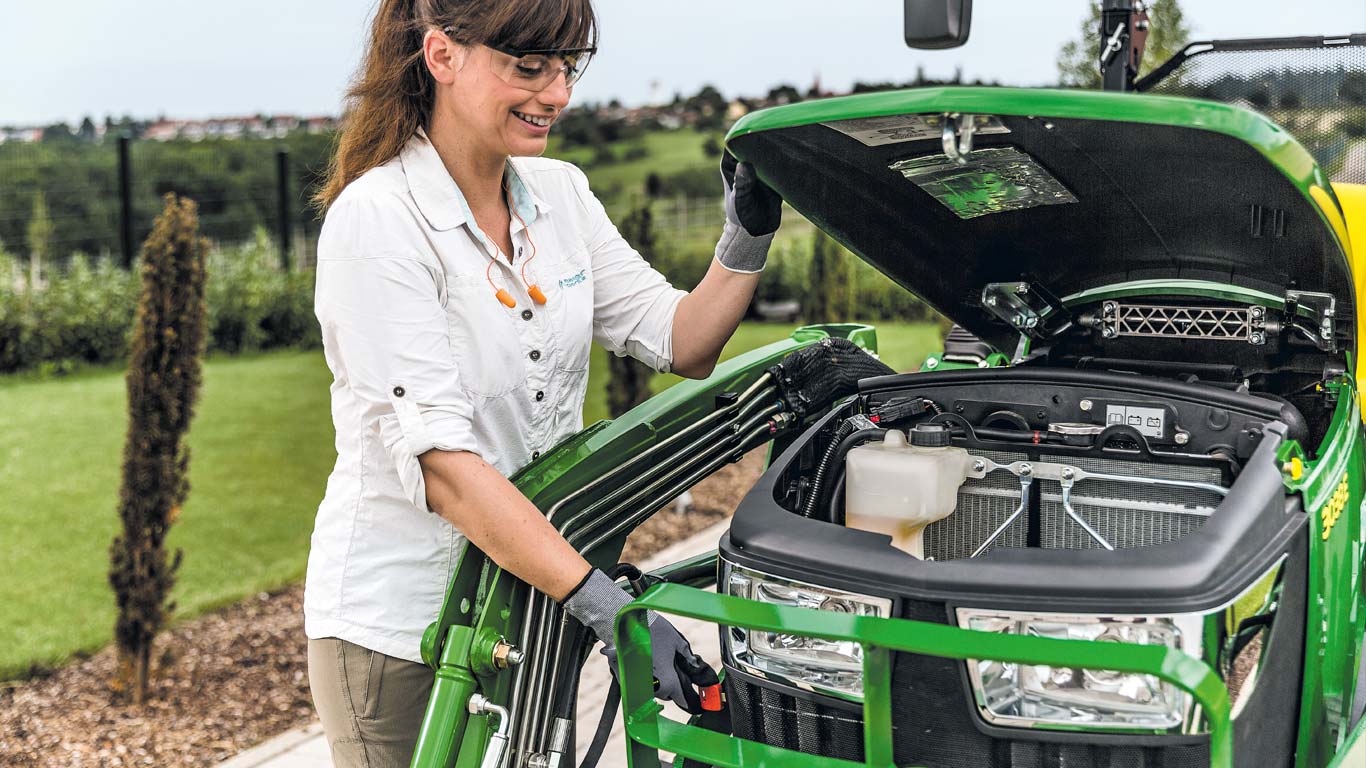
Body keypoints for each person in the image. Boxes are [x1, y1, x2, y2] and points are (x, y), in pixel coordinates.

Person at [302, 0, 783, 765]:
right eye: (529, 66)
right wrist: (607, 607)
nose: (557, 94)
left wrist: (746, 234)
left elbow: (681, 339)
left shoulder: (559, 195)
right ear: (442, 56)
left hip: (531, 614)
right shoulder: (379, 221)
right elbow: (448, 472)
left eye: (567, 66)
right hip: (404, 632)